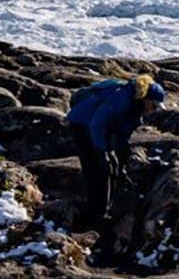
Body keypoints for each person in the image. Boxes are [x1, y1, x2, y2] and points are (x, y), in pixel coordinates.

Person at [65, 73, 167, 225]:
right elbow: (97, 125)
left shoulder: (136, 108)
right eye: (153, 105)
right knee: (96, 169)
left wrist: (121, 157)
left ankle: (103, 210)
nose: (153, 110)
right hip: (82, 125)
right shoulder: (121, 99)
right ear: (146, 99)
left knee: (112, 167)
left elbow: (122, 135)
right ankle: (94, 215)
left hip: (101, 130)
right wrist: (101, 152)